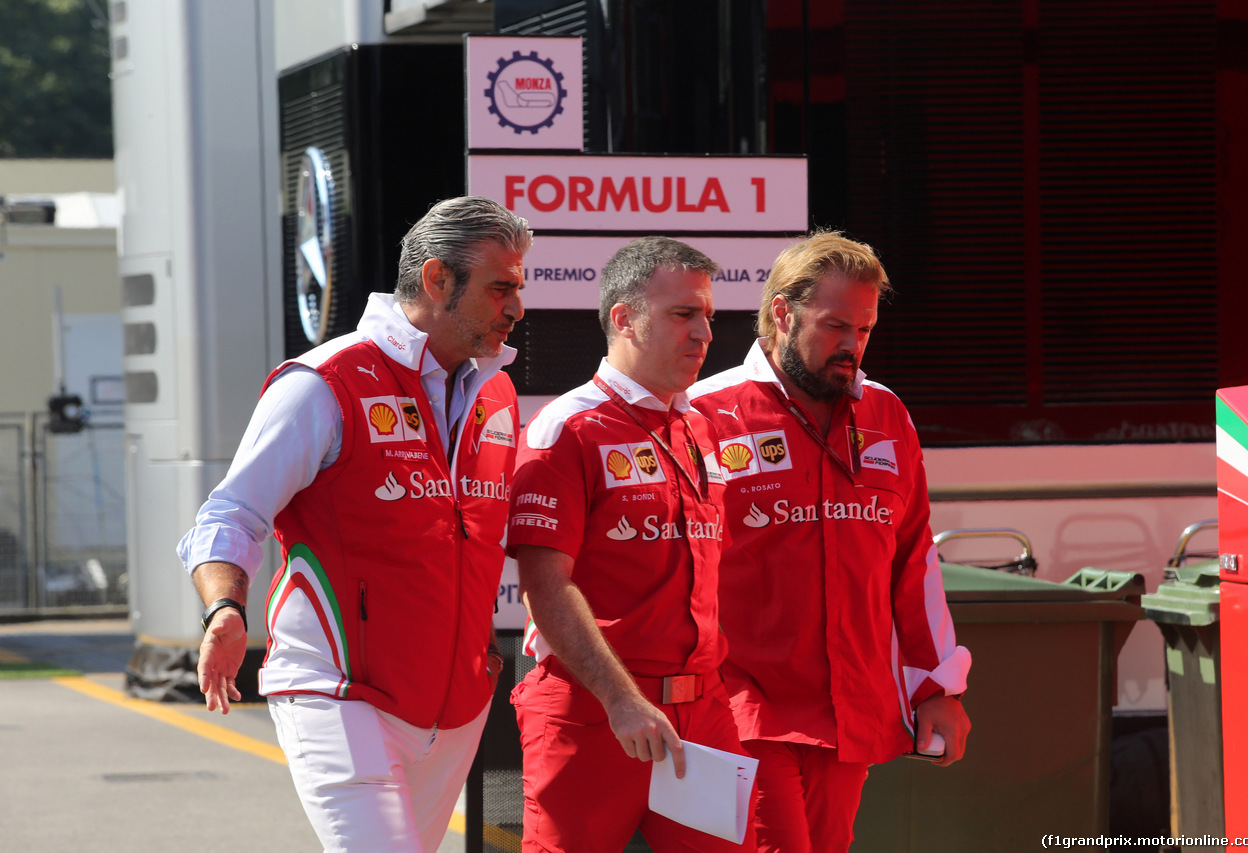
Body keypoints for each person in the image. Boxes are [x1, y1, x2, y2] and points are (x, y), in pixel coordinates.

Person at [176, 196, 531, 852]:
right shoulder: (326, 381)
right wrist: (224, 608)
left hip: (454, 706)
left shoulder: (497, 394)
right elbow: (230, 512)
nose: (516, 306)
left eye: (519, 286)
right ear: (435, 279)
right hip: (337, 690)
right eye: (500, 286)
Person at [689, 231, 972, 853]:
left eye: (865, 330)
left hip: (852, 707)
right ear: (784, 313)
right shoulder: (701, 412)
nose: (852, 346)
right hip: (741, 701)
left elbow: (914, 561)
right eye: (835, 325)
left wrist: (936, 687)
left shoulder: (887, 414)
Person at [506, 237, 753, 852]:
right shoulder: (567, 427)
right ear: (623, 317)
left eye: (709, 317)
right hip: (596, 711)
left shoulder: (702, 426)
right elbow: (544, 587)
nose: (704, 333)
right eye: (682, 314)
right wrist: (621, 700)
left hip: (701, 715)